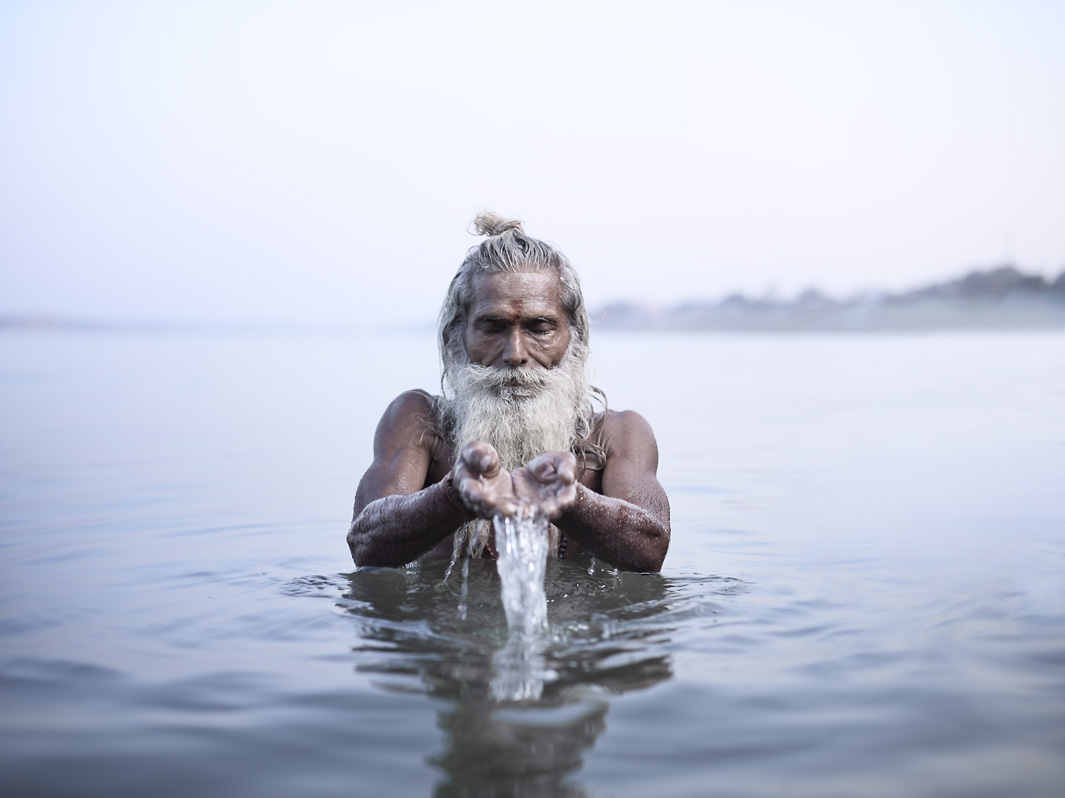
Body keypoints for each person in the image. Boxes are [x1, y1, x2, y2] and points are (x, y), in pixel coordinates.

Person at [347, 212, 670, 572]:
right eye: (492, 327)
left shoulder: (617, 433)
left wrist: (572, 502)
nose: (515, 353)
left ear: (573, 336)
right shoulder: (418, 420)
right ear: (459, 336)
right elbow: (365, 542)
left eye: (540, 328)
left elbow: (651, 548)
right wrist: (451, 498)